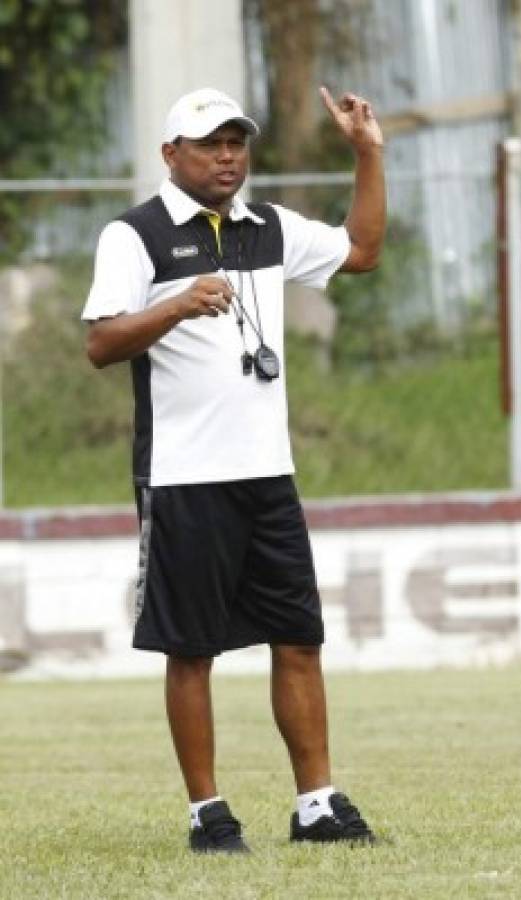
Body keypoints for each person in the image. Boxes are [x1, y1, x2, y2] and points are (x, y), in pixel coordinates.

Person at [83, 84, 386, 854]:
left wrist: (366, 154)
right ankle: (207, 813)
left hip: (267, 475)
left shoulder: (269, 227)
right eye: (210, 144)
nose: (227, 157)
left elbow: (361, 250)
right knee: (192, 650)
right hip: (183, 479)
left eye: (236, 143)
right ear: (169, 154)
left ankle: (315, 804)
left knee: (298, 638)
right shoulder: (134, 236)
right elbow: (102, 343)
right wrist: (177, 305)